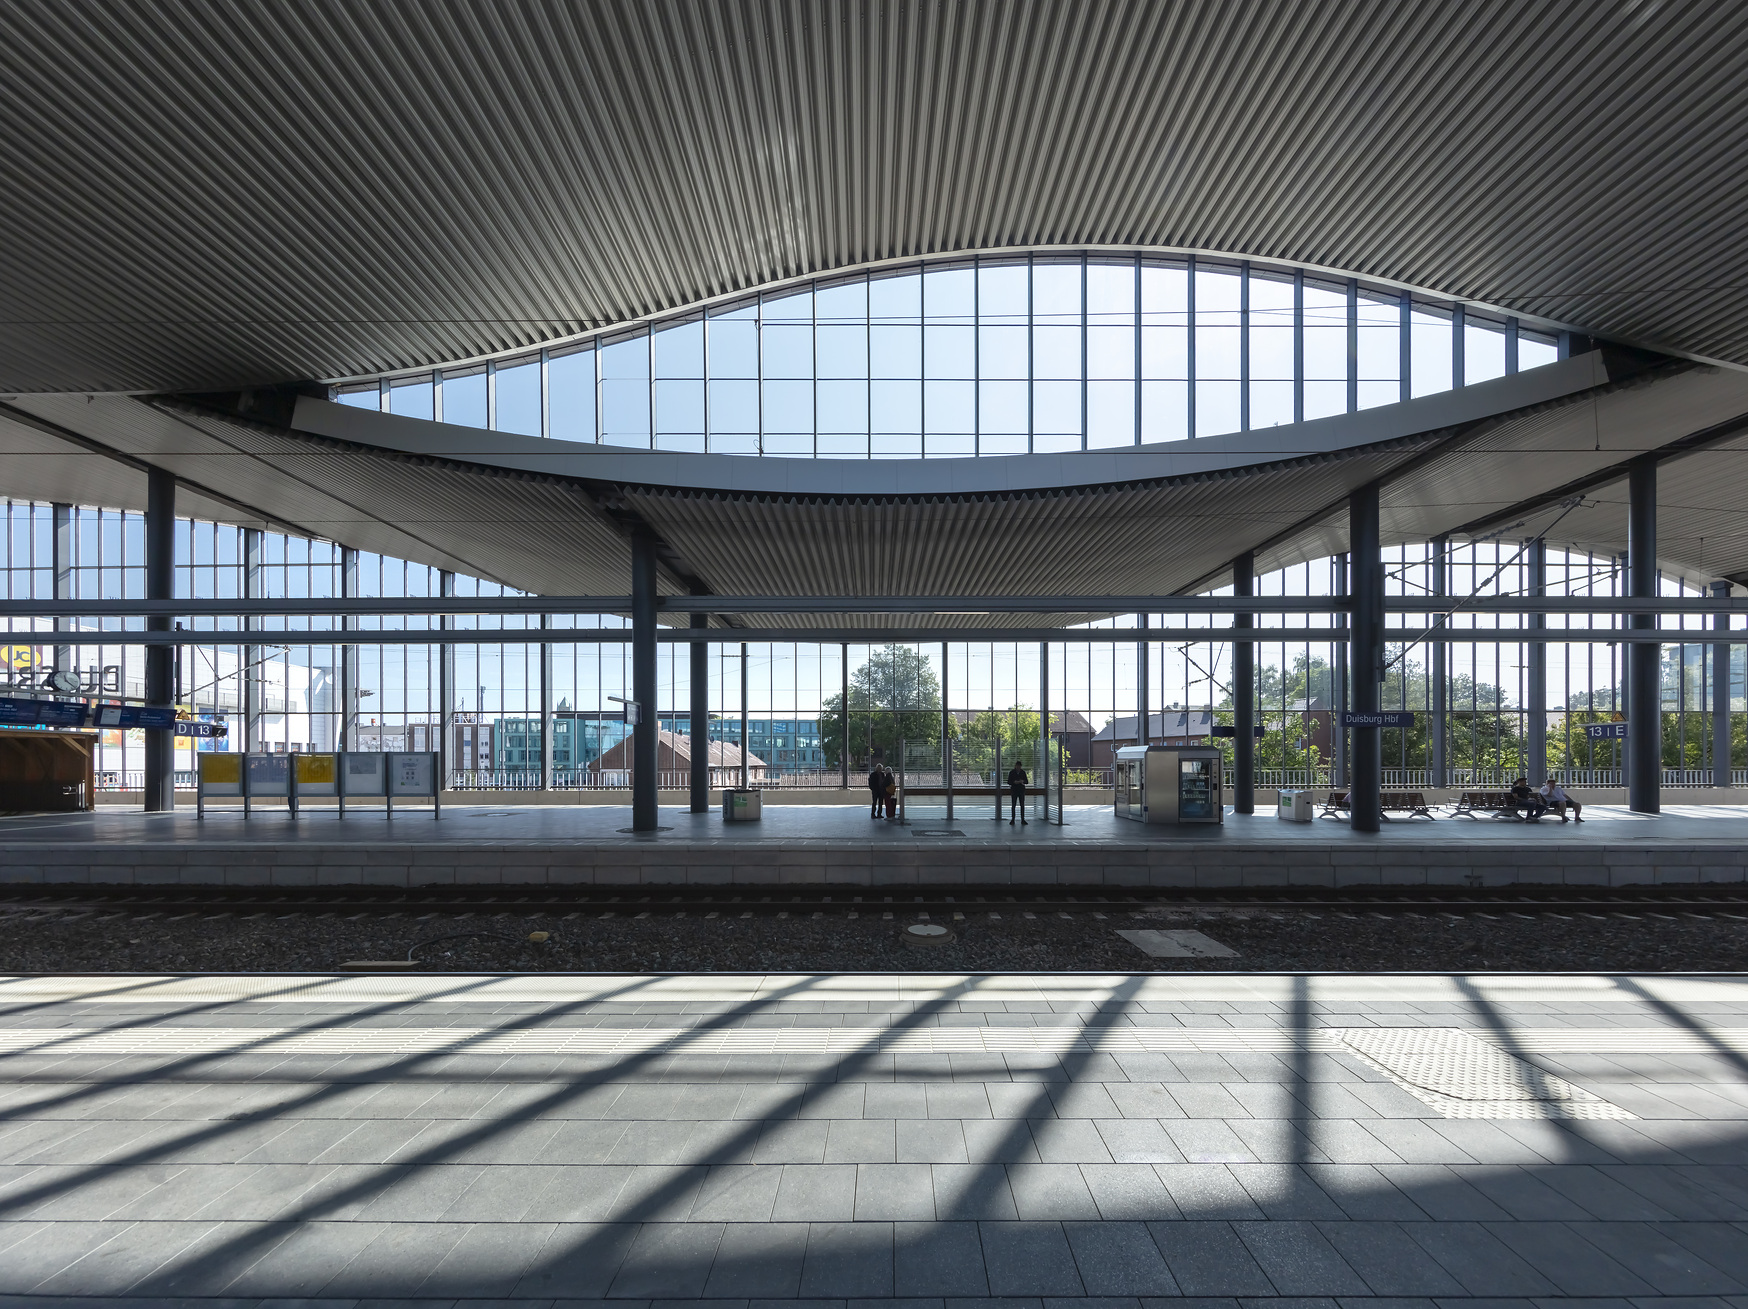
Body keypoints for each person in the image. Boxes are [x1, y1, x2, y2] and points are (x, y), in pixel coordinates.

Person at [1007, 760, 1029, 825]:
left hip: (1021, 790)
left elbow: (1026, 781)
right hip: (1014, 790)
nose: (1018, 767)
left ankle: (1022, 819)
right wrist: (1014, 782)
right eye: (1017, 766)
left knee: (1022, 805)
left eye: (1019, 766)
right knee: (1013, 805)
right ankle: (1013, 819)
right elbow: (1008, 782)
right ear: (1015, 766)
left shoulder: (1023, 772)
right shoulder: (1012, 772)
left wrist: (1022, 781)